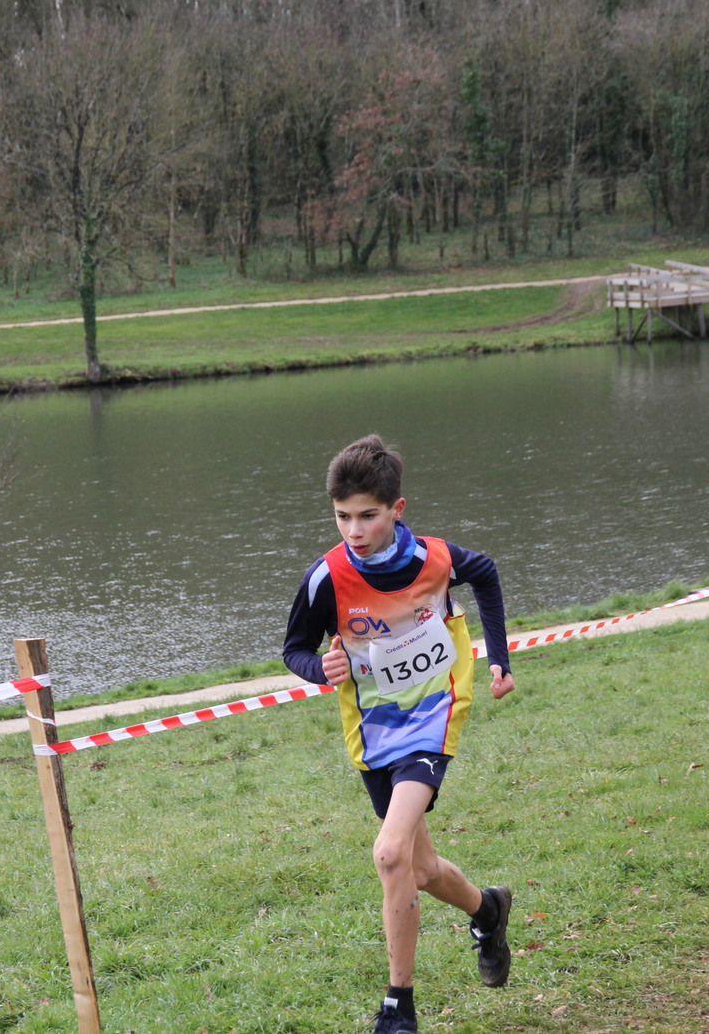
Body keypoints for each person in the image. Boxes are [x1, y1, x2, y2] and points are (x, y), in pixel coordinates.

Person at [282, 434, 516, 1034]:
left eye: (368, 515)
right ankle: (488, 910)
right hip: (372, 730)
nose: (354, 530)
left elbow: (486, 575)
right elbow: (294, 650)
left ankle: (398, 1008)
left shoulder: (436, 559)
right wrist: (321, 668)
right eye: (342, 517)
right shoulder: (326, 578)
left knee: (390, 854)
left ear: (397, 509)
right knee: (422, 868)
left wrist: (498, 657)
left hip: (435, 713)